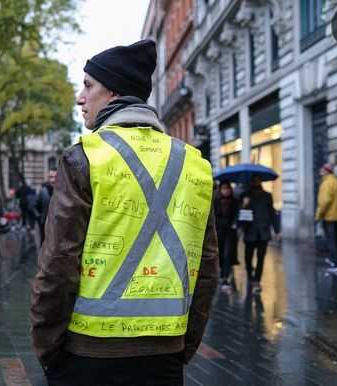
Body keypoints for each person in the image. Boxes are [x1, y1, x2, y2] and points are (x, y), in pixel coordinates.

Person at [30, 39, 218, 386]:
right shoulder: (195, 164)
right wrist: (181, 348)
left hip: (87, 357)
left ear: (113, 92)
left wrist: (49, 351)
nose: (80, 97)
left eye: (88, 85)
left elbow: (58, 265)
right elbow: (206, 271)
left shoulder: (84, 157)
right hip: (164, 357)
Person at [240, 174, 281, 293]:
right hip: (250, 231)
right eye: (254, 180)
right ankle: (249, 273)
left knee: (261, 257)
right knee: (248, 256)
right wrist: (244, 204)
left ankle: (257, 280)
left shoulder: (267, 196)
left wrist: (277, 230)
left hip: (263, 231)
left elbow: (272, 214)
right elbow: (239, 214)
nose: (257, 182)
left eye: (258, 180)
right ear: (251, 181)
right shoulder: (245, 195)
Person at [315, 163, 337, 272]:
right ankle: (335, 260)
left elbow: (324, 201)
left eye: (322, 170)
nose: (320, 171)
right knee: (336, 239)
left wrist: (319, 215)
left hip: (329, 217)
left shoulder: (326, 184)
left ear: (326, 171)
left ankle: (336, 263)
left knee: (331, 240)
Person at [213, 181, 239, 291]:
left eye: (228, 188)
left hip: (230, 232)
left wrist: (234, 224)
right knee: (220, 253)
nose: (226, 191)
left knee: (227, 253)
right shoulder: (215, 201)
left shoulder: (235, 201)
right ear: (220, 190)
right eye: (224, 188)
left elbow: (237, 214)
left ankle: (225, 277)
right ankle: (221, 271)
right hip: (218, 231)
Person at [34, 168, 57, 246]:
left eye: (55, 177)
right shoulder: (43, 191)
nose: (53, 180)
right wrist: (39, 218)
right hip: (44, 225)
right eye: (51, 177)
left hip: (59, 226)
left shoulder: (64, 191)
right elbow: (34, 205)